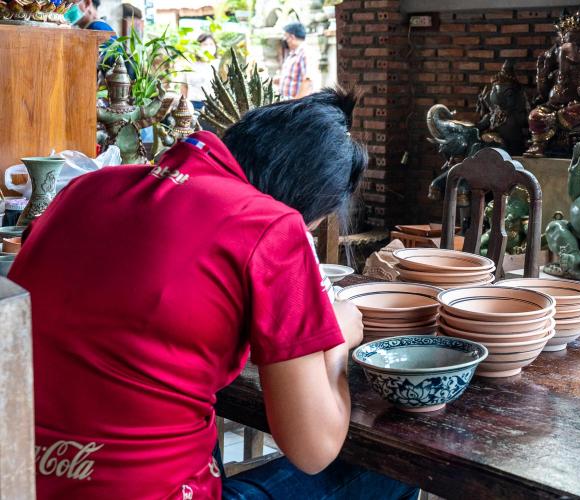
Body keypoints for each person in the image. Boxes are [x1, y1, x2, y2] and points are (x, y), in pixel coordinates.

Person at [10, 89, 419, 499]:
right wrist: (337, 340)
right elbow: (314, 449)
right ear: (304, 204)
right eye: (315, 226)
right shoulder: (271, 225)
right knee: (397, 470)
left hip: (24, 479)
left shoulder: (84, 189)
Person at [185, 33, 219, 113]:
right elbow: (184, 86)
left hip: (214, 105)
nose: (208, 47)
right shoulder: (190, 64)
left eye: (211, 44)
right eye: (205, 44)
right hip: (192, 104)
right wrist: (184, 103)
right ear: (198, 47)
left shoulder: (219, 64)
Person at [277, 22, 311, 100]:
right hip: (288, 103)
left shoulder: (305, 53)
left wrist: (297, 103)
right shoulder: (293, 53)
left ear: (291, 37)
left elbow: (307, 81)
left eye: (286, 37)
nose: (285, 40)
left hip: (296, 106)